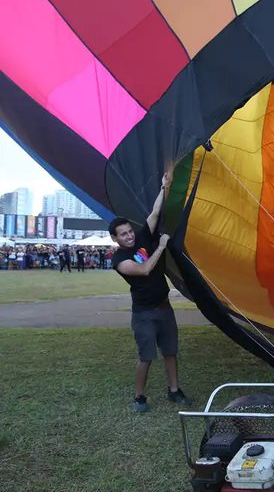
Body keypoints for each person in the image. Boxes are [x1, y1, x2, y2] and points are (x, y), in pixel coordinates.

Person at [110, 170, 191, 413]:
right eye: (123, 234)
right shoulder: (120, 259)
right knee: (146, 356)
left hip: (164, 308)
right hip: (144, 313)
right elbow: (145, 269)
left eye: (129, 231)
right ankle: (139, 397)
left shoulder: (142, 236)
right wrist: (161, 246)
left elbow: (155, 213)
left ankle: (174, 390)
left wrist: (163, 187)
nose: (129, 235)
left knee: (170, 351)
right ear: (115, 239)